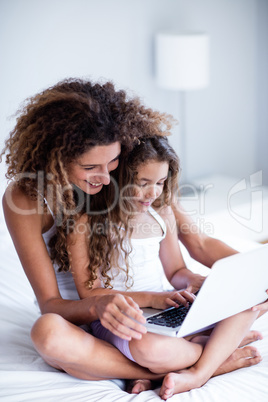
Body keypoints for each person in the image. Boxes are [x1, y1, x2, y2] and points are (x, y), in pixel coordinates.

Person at [0, 78, 266, 395]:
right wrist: (100, 307)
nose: (105, 176)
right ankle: (208, 363)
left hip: (144, 314)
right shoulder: (28, 198)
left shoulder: (132, 172)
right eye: (90, 167)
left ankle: (186, 361)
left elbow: (198, 243)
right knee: (47, 334)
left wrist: (253, 273)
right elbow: (51, 305)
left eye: (112, 162)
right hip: (83, 316)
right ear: (56, 158)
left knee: (246, 297)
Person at [67, 136, 265, 399]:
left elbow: (175, 272)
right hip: (122, 318)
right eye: (143, 183)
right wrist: (155, 299)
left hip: (167, 308)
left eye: (160, 183)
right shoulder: (86, 222)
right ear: (118, 179)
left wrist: (192, 281)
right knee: (150, 350)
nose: (153, 193)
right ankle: (219, 356)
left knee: (247, 301)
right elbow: (90, 293)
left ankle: (197, 369)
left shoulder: (162, 213)